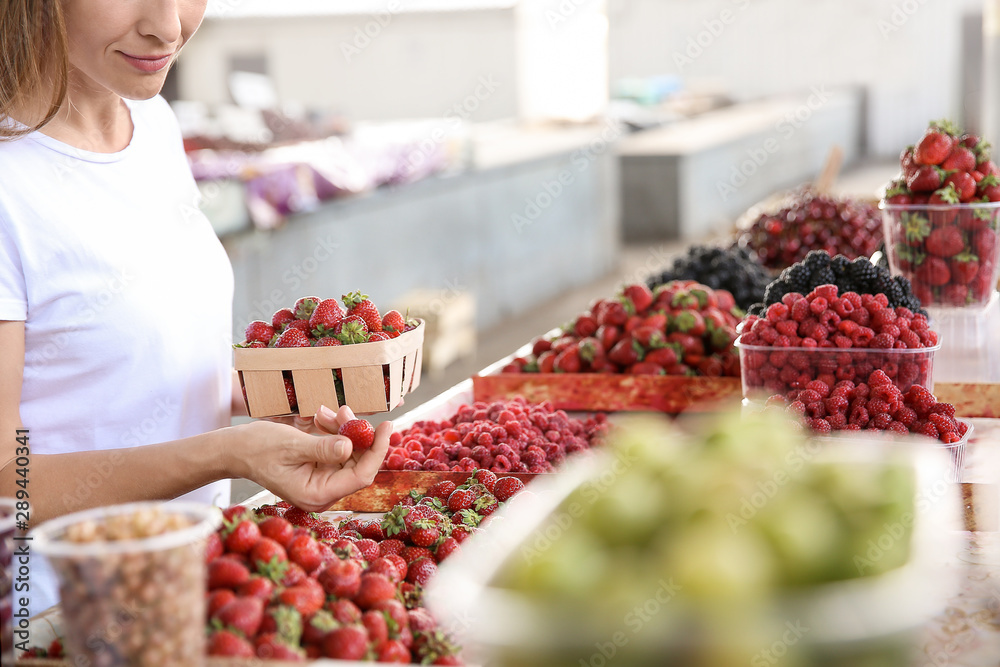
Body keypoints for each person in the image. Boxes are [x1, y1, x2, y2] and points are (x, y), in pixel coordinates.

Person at [0, 1, 391, 615]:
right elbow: (6, 483)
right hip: (61, 617)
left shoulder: (151, 124)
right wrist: (228, 453)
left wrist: (285, 394)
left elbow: (145, 363)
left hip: (197, 583)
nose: (170, 25)